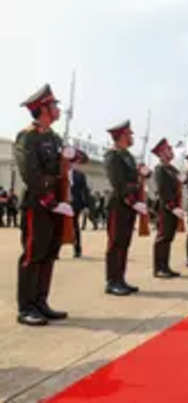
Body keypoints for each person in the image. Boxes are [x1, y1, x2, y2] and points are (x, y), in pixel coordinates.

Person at [14, 84, 73, 325]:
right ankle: (26, 307)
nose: (58, 108)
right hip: (38, 204)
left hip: (55, 203)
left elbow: (71, 159)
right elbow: (30, 172)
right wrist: (49, 202)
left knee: (49, 253)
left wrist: (74, 155)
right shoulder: (28, 136)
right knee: (33, 253)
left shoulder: (54, 137)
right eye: (54, 105)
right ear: (43, 108)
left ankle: (40, 302)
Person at [104, 120, 148, 296]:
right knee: (115, 243)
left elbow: (135, 178)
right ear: (121, 136)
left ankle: (120, 278)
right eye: (129, 134)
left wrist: (144, 173)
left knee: (124, 243)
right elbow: (118, 182)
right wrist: (132, 201)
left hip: (129, 206)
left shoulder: (128, 155)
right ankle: (112, 281)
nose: (131, 137)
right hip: (119, 204)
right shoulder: (112, 156)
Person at [152, 138, 182, 278]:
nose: (171, 151)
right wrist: (172, 206)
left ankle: (165, 266)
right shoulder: (160, 169)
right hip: (165, 208)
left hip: (174, 209)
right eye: (168, 149)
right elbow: (163, 191)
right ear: (161, 153)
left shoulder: (172, 169)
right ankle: (159, 268)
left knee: (168, 237)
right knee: (162, 238)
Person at [71, 150, 91, 258]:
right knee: (58, 227)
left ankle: (77, 249)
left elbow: (84, 191)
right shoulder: (61, 172)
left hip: (75, 204)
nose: (78, 165)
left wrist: (86, 205)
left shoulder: (80, 175)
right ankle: (54, 250)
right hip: (61, 204)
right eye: (77, 162)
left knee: (75, 226)